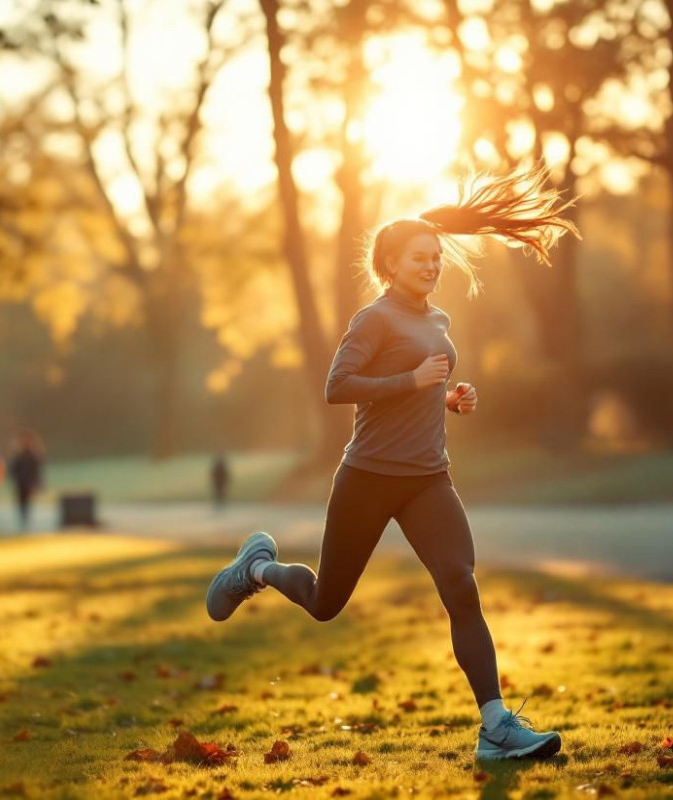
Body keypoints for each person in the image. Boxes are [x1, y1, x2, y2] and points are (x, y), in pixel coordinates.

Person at [204, 167, 576, 761]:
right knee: (326, 603)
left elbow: (420, 387)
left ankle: (495, 727)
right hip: (369, 478)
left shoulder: (437, 319)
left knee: (462, 587)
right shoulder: (372, 319)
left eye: (436, 257)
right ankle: (257, 570)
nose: (431, 265)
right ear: (390, 265)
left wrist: (449, 398)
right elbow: (337, 385)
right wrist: (410, 379)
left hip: (428, 478)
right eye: (419, 258)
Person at [9, 430, 46, 530]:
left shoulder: (33, 455)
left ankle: (26, 520)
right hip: (20, 481)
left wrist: (37, 481)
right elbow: (13, 468)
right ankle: (23, 519)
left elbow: (37, 469)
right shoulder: (18, 455)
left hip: (29, 482)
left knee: (27, 501)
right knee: (21, 501)